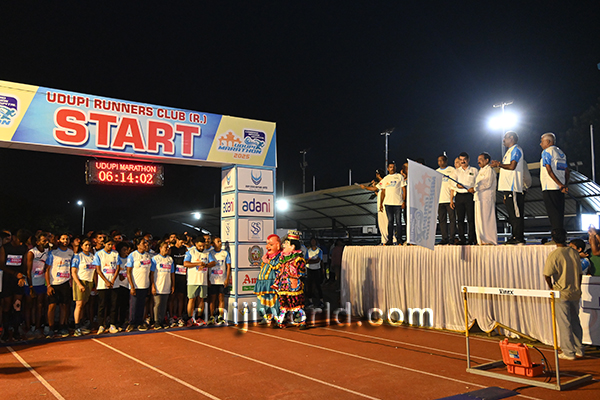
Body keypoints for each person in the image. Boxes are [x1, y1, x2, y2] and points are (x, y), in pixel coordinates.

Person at [543, 228, 584, 360]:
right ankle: (579, 349)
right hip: (575, 291)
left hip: (561, 293)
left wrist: (552, 288)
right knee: (575, 321)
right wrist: (578, 286)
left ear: (553, 239)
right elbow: (580, 273)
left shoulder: (554, 254)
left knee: (564, 323)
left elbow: (547, 274)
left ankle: (568, 352)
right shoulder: (574, 253)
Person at [491, 131, 526, 244]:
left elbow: (512, 166)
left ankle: (518, 237)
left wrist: (499, 164)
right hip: (508, 189)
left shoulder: (516, 149)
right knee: (511, 214)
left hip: (513, 187)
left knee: (516, 214)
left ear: (511, 138)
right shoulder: (509, 151)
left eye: (505, 138)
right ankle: (514, 236)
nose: (503, 140)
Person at [272, 231, 308, 330]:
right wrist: (276, 282)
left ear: (292, 247)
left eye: (286, 243)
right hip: (283, 285)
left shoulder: (298, 259)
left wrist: (292, 274)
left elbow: (302, 273)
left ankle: (303, 320)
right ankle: (280, 321)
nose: (283, 245)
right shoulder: (283, 259)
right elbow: (279, 271)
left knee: (296, 305)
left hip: (293, 285)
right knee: (284, 305)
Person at [0, 229, 30, 341]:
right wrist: (14, 273)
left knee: (17, 305)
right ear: (14, 237)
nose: (21, 243)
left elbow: (25, 265)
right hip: (8, 279)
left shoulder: (24, 248)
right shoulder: (5, 248)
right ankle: (6, 331)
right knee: (7, 305)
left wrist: (22, 276)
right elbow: (1, 265)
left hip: (19, 280)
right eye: (19, 240)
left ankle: (16, 330)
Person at [45, 233, 74, 338]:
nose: (65, 241)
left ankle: (62, 327)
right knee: (52, 306)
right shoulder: (53, 253)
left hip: (65, 283)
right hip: (54, 283)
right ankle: (51, 328)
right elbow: (47, 270)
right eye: (63, 239)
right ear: (59, 240)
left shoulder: (71, 253)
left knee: (64, 305)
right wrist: (48, 285)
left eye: (67, 239)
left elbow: (72, 268)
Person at [540, 132, 570, 232]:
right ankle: (561, 235)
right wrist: (564, 185)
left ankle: (557, 236)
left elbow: (549, 170)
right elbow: (567, 171)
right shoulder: (561, 153)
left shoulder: (546, 152)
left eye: (542, 141)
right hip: (560, 189)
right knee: (559, 213)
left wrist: (559, 184)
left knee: (553, 214)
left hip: (550, 186)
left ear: (548, 142)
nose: (540, 144)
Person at [183, 236, 214, 326]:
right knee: (191, 299)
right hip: (193, 280)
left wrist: (206, 265)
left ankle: (199, 317)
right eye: (200, 246)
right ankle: (190, 318)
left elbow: (213, 262)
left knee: (201, 300)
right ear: (196, 244)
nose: (201, 248)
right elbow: (185, 263)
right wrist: (197, 263)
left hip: (203, 280)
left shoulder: (207, 253)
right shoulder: (190, 252)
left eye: (203, 246)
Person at [93, 237, 121, 334]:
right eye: (108, 244)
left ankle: (112, 324)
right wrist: (106, 281)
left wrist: (112, 280)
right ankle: (101, 325)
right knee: (102, 305)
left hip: (114, 283)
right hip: (102, 284)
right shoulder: (99, 254)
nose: (110, 246)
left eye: (111, 244)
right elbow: (98, 270)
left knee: (114, 305)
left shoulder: (115, 254)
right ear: (104, 244)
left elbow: (117, 268)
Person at [468, 153, 497, 245]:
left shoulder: (489, 170)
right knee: (479, 221)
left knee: (487, 220)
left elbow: (487, 184)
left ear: (487, 160)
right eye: (478, 159)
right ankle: (481, 240)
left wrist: (475, 188)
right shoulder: (480, 171)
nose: (478, 161)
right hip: (479, 198)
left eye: (481, 159)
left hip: (486, 198)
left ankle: (490, 240)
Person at [26, 231, 49, 339]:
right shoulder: (31, 253)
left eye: (46, 240)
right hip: (31, 283)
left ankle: (38, 327)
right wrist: (30, 287)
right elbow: (28, 271)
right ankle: (29, 327)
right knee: (29, 306)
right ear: (37, 242)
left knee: (39, 306)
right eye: (44, 241)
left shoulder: (47, 251)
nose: (46, 242)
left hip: (41, 282)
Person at [254, 234, 282, 325]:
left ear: (278, 245)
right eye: (267, 244)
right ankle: (266, 317)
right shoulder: (267, 256)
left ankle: (277, 317)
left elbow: (278, 266)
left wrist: (268, 261)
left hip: (272, 282)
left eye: (271, 244)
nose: (267, 247)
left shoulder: (280, 256)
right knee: (262, 301)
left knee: (273, 301)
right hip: (263, 283)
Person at [126, 237, 153, 332]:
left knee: (142, 305)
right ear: (138, 245)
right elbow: (128, 272)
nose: (146, 244)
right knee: (134, 305)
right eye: (143, 243)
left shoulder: (148, 256)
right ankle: (131, 323)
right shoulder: (132, 255)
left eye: (146, 243)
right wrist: (132, 286)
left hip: (145, 285)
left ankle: (139, 322)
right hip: (136, 285)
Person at [451, 152, 478, 245]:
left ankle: (471, 239)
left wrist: (473, 188)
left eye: (464, 160)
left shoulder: (474, 170)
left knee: (471, 218)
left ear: (468, 160)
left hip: (469, 196)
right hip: (459, 196)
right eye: (461, 160)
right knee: (460, 219)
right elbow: (452, 183)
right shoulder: (456, 171)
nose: (462, 161)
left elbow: (477, 183)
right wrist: (457, 185)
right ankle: (462, 238)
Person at [71, 238, 96, 336]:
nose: (88, 247)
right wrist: (79, 284)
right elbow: (73, 272)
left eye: (89, 245)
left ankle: (81, 324)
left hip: (89, 281)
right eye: (85, 245)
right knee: (79, 304)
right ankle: (76, 327)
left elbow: (94, 271)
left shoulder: (92, 256)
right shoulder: (78, 256)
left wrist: (95, 284)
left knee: (84, 304)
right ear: (81, 246)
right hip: (80, 280)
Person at [379, 161, 407, 245]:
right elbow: (383, 192)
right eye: (390, 167)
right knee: (390, 222)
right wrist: (381, 203)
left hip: (398, 203)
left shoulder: (399, 176)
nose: (392, 168)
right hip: (388, 203)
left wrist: (404, 201)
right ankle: (390, 239)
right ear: (388, 168)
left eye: (393, 167)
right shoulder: (385, 179)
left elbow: (404, 189)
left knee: (398, 222)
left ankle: (399, 239)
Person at [150, 240, 175, 329]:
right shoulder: (155, 259)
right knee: (157, 303)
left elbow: (172, 273)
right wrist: (153, 285)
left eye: (168, 247)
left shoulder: (170, 259)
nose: (167, 249)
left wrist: (173, 285)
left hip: (166, 285)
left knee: (164, 304)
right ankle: (156, 321)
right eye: (165, 247)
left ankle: (162, 320)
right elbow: (152, 273)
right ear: (160, 248)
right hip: (158, 285)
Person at [360, 169, 389, 245]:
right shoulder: (381, 184)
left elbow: (374, 188)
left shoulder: (383, 181)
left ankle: (390, 240)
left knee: (385, 223)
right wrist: (374, 187)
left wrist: (365, 187)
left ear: (378, 175)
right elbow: (377, 192)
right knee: (382, 224)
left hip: (383, 206)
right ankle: (384, 241)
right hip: (381, 207)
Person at [207, 237, 231, 325]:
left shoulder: (225, 253)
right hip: (212, 280)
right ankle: (211, 316)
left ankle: (220, 316)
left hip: (222, 280)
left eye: (220, 241)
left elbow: (228, 266)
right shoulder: (210, 253)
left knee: (221, 298)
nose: (220, 243)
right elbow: (207, 267)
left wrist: (227, 279)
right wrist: (208, 279)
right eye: (218, 241)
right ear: (213, 243)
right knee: (212, 299)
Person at [436, 155, 457, 245]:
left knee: (452, 219)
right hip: (440, 200)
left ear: (446, 161)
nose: (440, 162)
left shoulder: (452, 170)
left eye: (442, 160)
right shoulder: (436, 172)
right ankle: (444, 238)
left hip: (450, 200)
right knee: (442, 220)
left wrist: (452, 198)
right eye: (438, 161)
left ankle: (452, 238)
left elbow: (454, 185)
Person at [169, 234, 188, 327]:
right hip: (173, 275)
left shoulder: (185, 249)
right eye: (181, 242)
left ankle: (180, 316)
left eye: (184, 242)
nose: (182, 244)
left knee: (181, 297)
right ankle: (171, 316)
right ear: (177, 240)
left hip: (182, 276)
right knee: (172, 297)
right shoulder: (171, 249)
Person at [305, 238, 325, 308]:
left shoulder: (319, 250)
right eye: (312, 241)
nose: (313, 242)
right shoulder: (308, 251)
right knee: (309, 286)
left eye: (314, 241)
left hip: (317, 269)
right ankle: (310, 301)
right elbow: (306, 260)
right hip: (309, 269)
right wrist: (313, 261)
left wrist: (310, 261)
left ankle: (321, 301)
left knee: (318, 286)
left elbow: (318, 260)